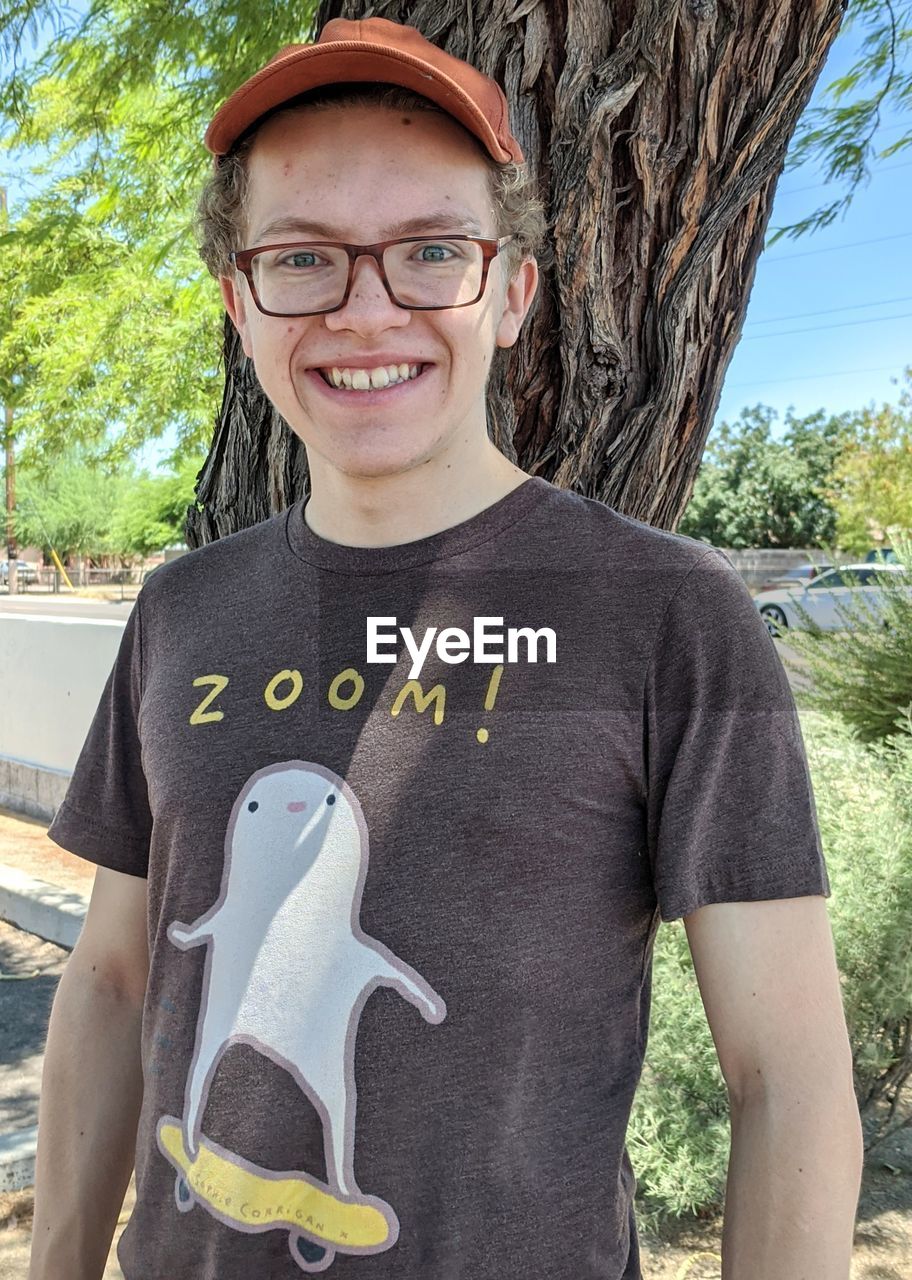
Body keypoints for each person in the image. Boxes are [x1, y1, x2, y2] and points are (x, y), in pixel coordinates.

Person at [31, 16, 862, 1280]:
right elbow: (105, 981)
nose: (368, 312)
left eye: (430, 250)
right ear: (238, 302)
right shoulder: (182, 609)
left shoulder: (670, 614)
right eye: (303, 257)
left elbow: (786, 1077)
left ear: (512, 290)